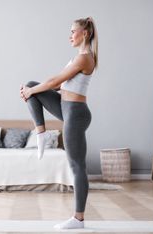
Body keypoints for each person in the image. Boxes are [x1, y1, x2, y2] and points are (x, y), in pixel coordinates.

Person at [20, 17, 98, 229]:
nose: (70, 35)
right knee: (31, 86)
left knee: (77, 166)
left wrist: (32, 92)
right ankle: (41, 133)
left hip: (76, 113)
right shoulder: (77, 58)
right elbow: (58, 86)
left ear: (85, 33)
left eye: (73, 31)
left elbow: (54, 82)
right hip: (65, 106)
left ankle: (78, 219)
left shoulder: (85, 58)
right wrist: (31, 91)